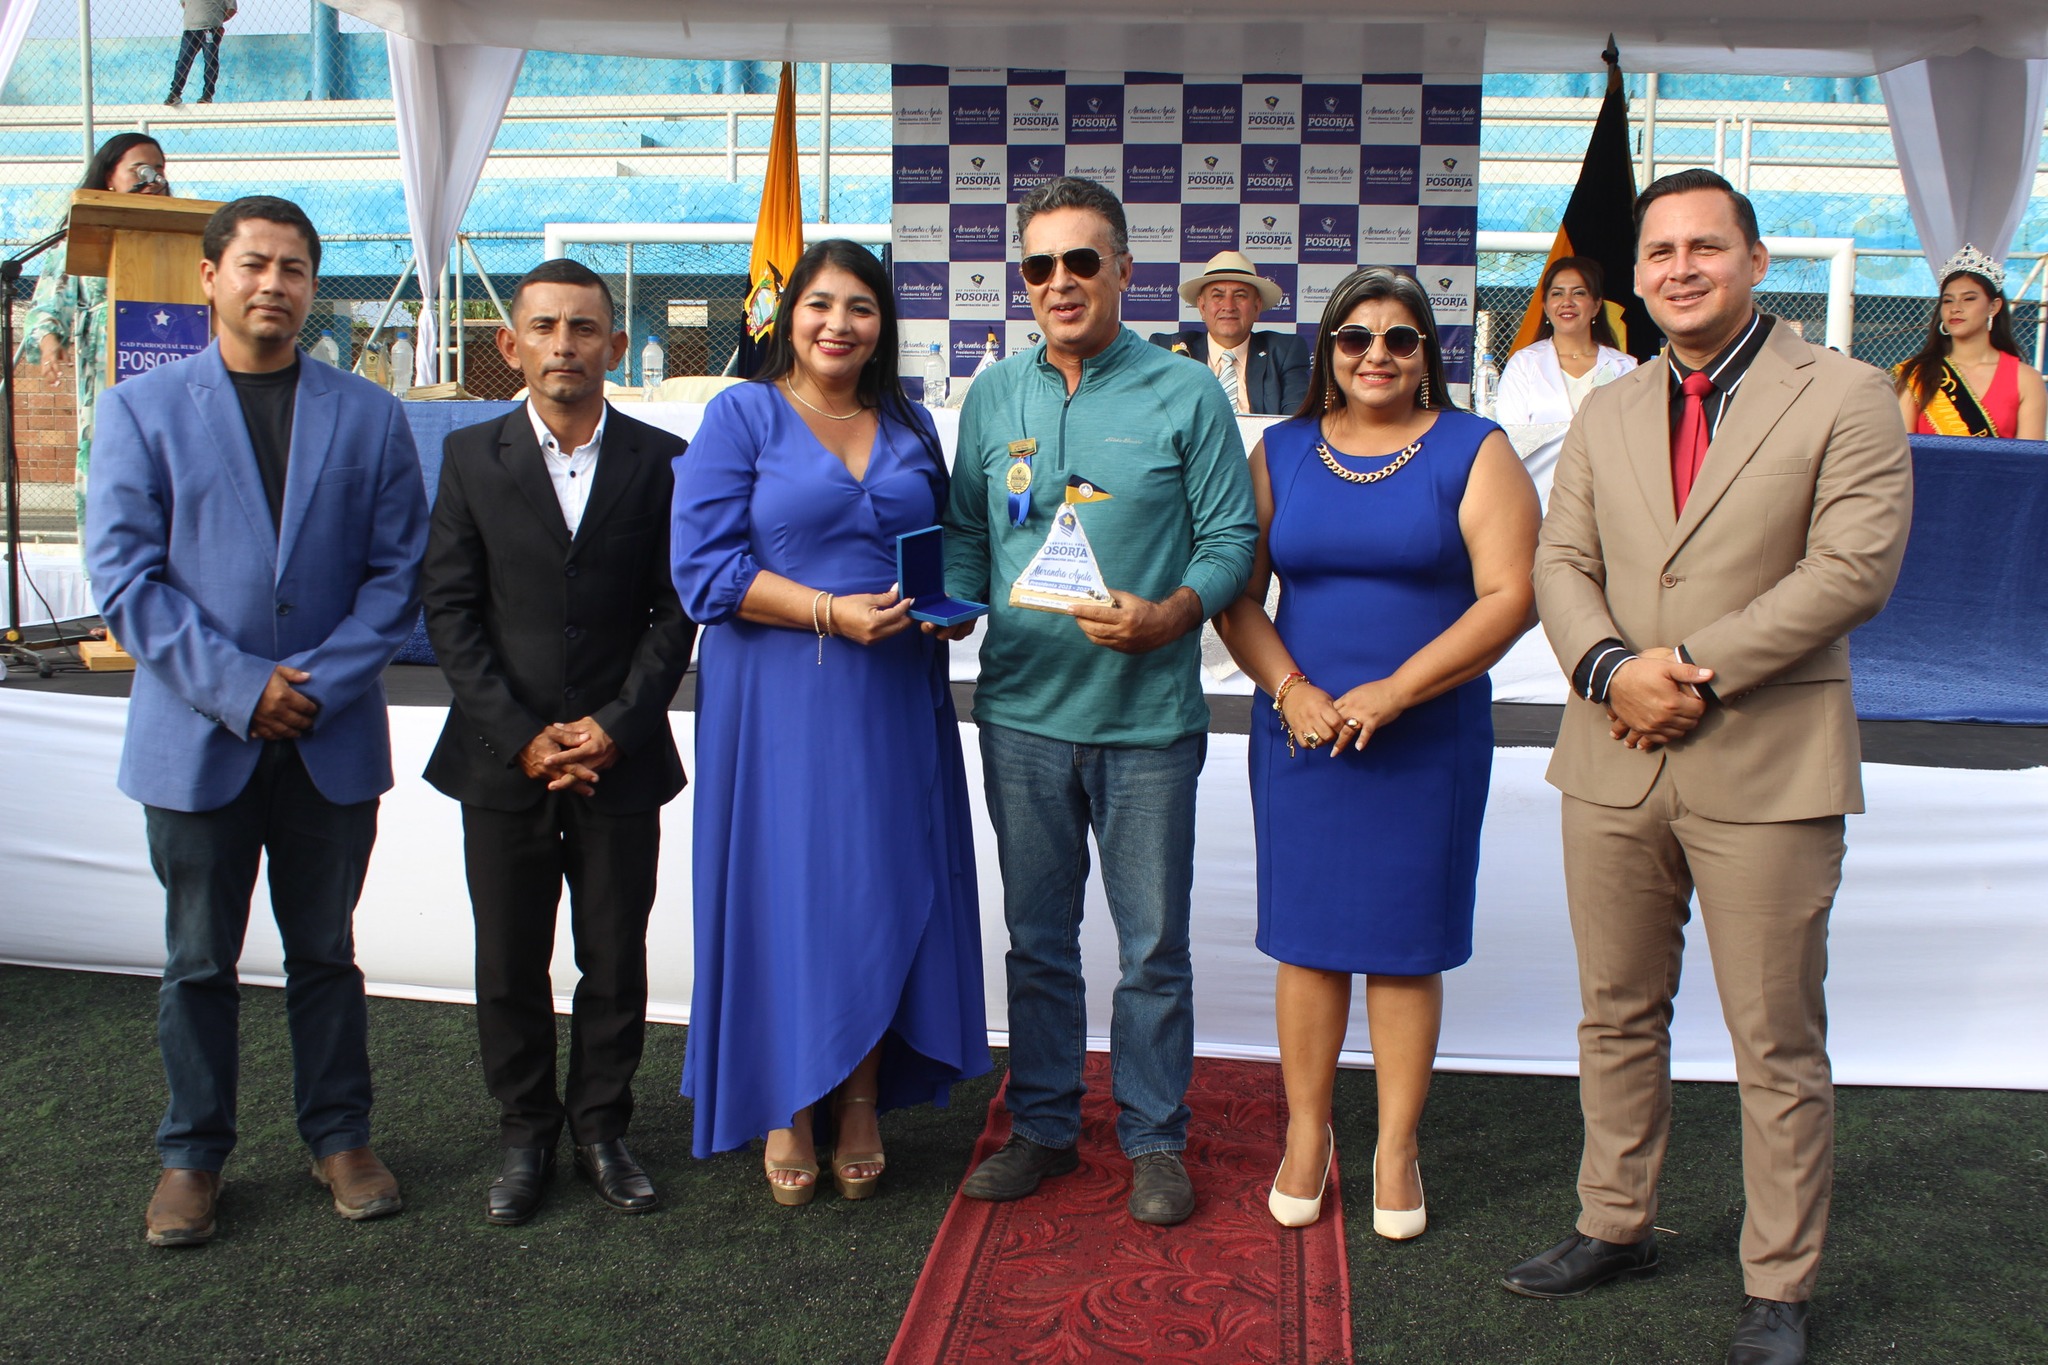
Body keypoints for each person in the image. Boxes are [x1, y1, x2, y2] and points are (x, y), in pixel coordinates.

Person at [1505, 170, 1912, 1365]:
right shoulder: (1608, 408)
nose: (1679, 268)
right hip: (1611, 756)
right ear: (1633, 276)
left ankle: (1777, 1286)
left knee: (1773, 1040)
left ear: (1755, 259)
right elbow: (1558, 563)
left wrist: (1679, 669)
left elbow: (1850, 570)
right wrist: (1606, 673)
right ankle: (1611, 1222)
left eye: (1704, 247)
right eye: (1659, 252)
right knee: (1614, 1012)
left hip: (1766, 763)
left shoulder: (1843, 393)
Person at [86, 196, 430, 1247]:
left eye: (293, 268)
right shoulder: (139, 410)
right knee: (197, 960)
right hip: (198, 740)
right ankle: (192, 1155)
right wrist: (243, 688)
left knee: (325, 950)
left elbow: (398, 576)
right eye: (253, 264)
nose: (273, 283)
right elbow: (126, 582)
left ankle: (341, 1137)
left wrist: (310, 685)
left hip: (329, 738)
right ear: (210, 276)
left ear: (312, 287)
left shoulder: (368, 414)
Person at [944, 176, 1257, 1226]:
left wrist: (1172, 615)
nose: (1060, 281)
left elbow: (1231, 540)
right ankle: (1040, 1126)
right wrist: (950, 604)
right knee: (1036, 941)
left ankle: (1153, 1138)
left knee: (1152, 948)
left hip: (1146, 726)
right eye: (1040, 265)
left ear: (1124, 269)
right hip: (1020, 717)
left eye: (1082, 260)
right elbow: (967, 531)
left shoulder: (1186, 392)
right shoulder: (995, 394)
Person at [1214, 267, 1538, 1234]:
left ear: (1427, 351)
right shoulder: (1281, 450)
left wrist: (1398, 690)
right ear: (1328, 351)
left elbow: (1511, 597)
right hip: (1302, 733)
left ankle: (1397, 1147)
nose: (1377, 355)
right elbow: (1236, 595)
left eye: (1401, 337)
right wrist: (1291, 689)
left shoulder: (1476, 449)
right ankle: (1305, 1135)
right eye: (1355, 337)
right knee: (1308, 945)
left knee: (1404, 947)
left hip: (1426, 735)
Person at [670, 239, 989, 1206]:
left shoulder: (910, 421)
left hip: (893, 693)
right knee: (790, 891)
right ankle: (787, 1102)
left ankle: (859, 1098)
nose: (838, 324)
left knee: (879, 886)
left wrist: (952, 605)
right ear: (787, 314)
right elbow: (703, 574)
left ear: (883, 324)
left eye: (860, 306)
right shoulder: (741, 413)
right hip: (777, 699)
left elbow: (941, 546)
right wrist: (826, 610)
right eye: (820, 303)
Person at [422, 259, 697, 1226]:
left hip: (621, 759)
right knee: (509, 960)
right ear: (510, 344)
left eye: (584, 328)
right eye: (543, 327)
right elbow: (450, 610)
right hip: (504, 761)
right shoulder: (469, 456)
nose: (563, 345)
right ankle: (525, 1132)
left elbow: (677, 609)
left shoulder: (664, 460)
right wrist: (522, 736)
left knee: (615, 955)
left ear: (616, 345)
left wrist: (616, 726)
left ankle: (602, 1129)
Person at [24, 133, 170, 536]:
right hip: (108, 376)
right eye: (140, 169)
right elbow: (48, 304)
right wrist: (50, 342)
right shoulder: (85, 233)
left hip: (172, 367)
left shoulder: (183, 229)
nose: (153, 177)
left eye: (159, 169)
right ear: (109, 177)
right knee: (113, 468)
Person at [1495, 257, 1639, 495]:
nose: (1567, 302)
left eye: (1579, 293)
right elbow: (1512, 438)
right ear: (1545, 306)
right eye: (1557, 294)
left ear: (1596, 305)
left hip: (1606, 495)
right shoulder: (1523, 364)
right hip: (1540, 496)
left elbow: (1634, 438)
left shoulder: (1625, 367)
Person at [1893, 244, 2046, 441]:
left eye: (1969, 299)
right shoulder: (1917, 374)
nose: (1955, 308)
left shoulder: (2025, 379)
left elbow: (2029, 456)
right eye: (1948, 301)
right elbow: (1902, 449)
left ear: (1993, 307)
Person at [1149, 250, 1311, 415]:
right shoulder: (1169, 350)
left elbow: (1296, 421)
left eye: (1240, 296)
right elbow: (1153, 418)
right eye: (1218, 296)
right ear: (1202, 307)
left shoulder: (1284, 352)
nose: (1229, 306)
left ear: (1256, 307)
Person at [166, 0, 234, 105]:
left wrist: (215, 20)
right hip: (190, 30)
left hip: (210, 30)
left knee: (210, 61)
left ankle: (207, 95)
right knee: (183, 62)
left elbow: (232, 9)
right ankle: (175, 93)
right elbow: (184, 4)